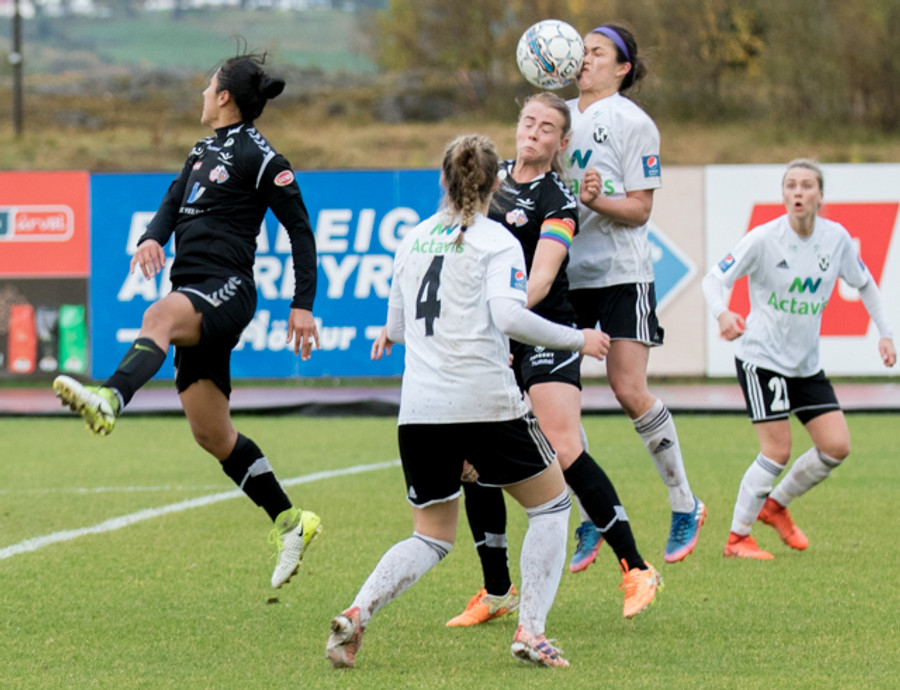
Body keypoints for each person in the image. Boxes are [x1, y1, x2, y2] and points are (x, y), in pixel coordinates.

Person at [326, 134, 611, 670]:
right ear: (496, 184)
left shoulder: (411, 239)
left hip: (420, 410)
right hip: (485, 402)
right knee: (552, 506)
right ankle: (531, 631)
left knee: (431, 536)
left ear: (442, 179)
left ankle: (358, 611)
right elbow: (508, 316)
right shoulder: (498, 240)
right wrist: (579, 339)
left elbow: (396, 328)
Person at [52, 52, 322, 589]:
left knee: (158, 314)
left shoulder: (261, 156)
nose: (201, 93)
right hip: (194, 288)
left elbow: (300, 228)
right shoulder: (201, 150)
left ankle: (110, 398)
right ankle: (292, 522)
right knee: (213, 434)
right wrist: (151, 237)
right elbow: (172, 203)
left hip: (228, 288)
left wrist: (303, 303)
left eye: (207, 85)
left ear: (224, 97)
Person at [441, 92, 661, 627]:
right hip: (493, 335)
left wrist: (500, 312)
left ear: (562, 143)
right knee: (470, 462)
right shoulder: (488, 181)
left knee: (562, 448)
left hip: (546, 330)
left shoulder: (556, 197)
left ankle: (636, 567)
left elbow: (540, 278)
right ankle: (497, 590)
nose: (533, 132)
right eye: (528, 122)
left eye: (546, 128)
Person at [702, 158, 895, 559]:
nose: (798, 192)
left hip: (805, 364)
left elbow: (865, 283)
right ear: (783, 194)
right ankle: (737, 538)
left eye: (806, 186)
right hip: (761, 359)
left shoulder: (836, 239)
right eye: (790, 185)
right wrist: (722, 313)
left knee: (836, 446)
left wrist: (885, 334)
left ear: (820, 196)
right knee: (777, 451)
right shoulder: (764, 238)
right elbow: (714, 278)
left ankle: (775, 506)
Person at [562, 24, 706, 564]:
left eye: (597, 52)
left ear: (622, 68)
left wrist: (597, 202)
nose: (585, 59)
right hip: (565, 274)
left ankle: (684, 502)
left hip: (621, 273)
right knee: (555, 399)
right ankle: (591, 515)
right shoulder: (557, 117)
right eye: (582, 51)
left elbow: (641, 209)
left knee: (628, 389)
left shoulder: (633, 122)